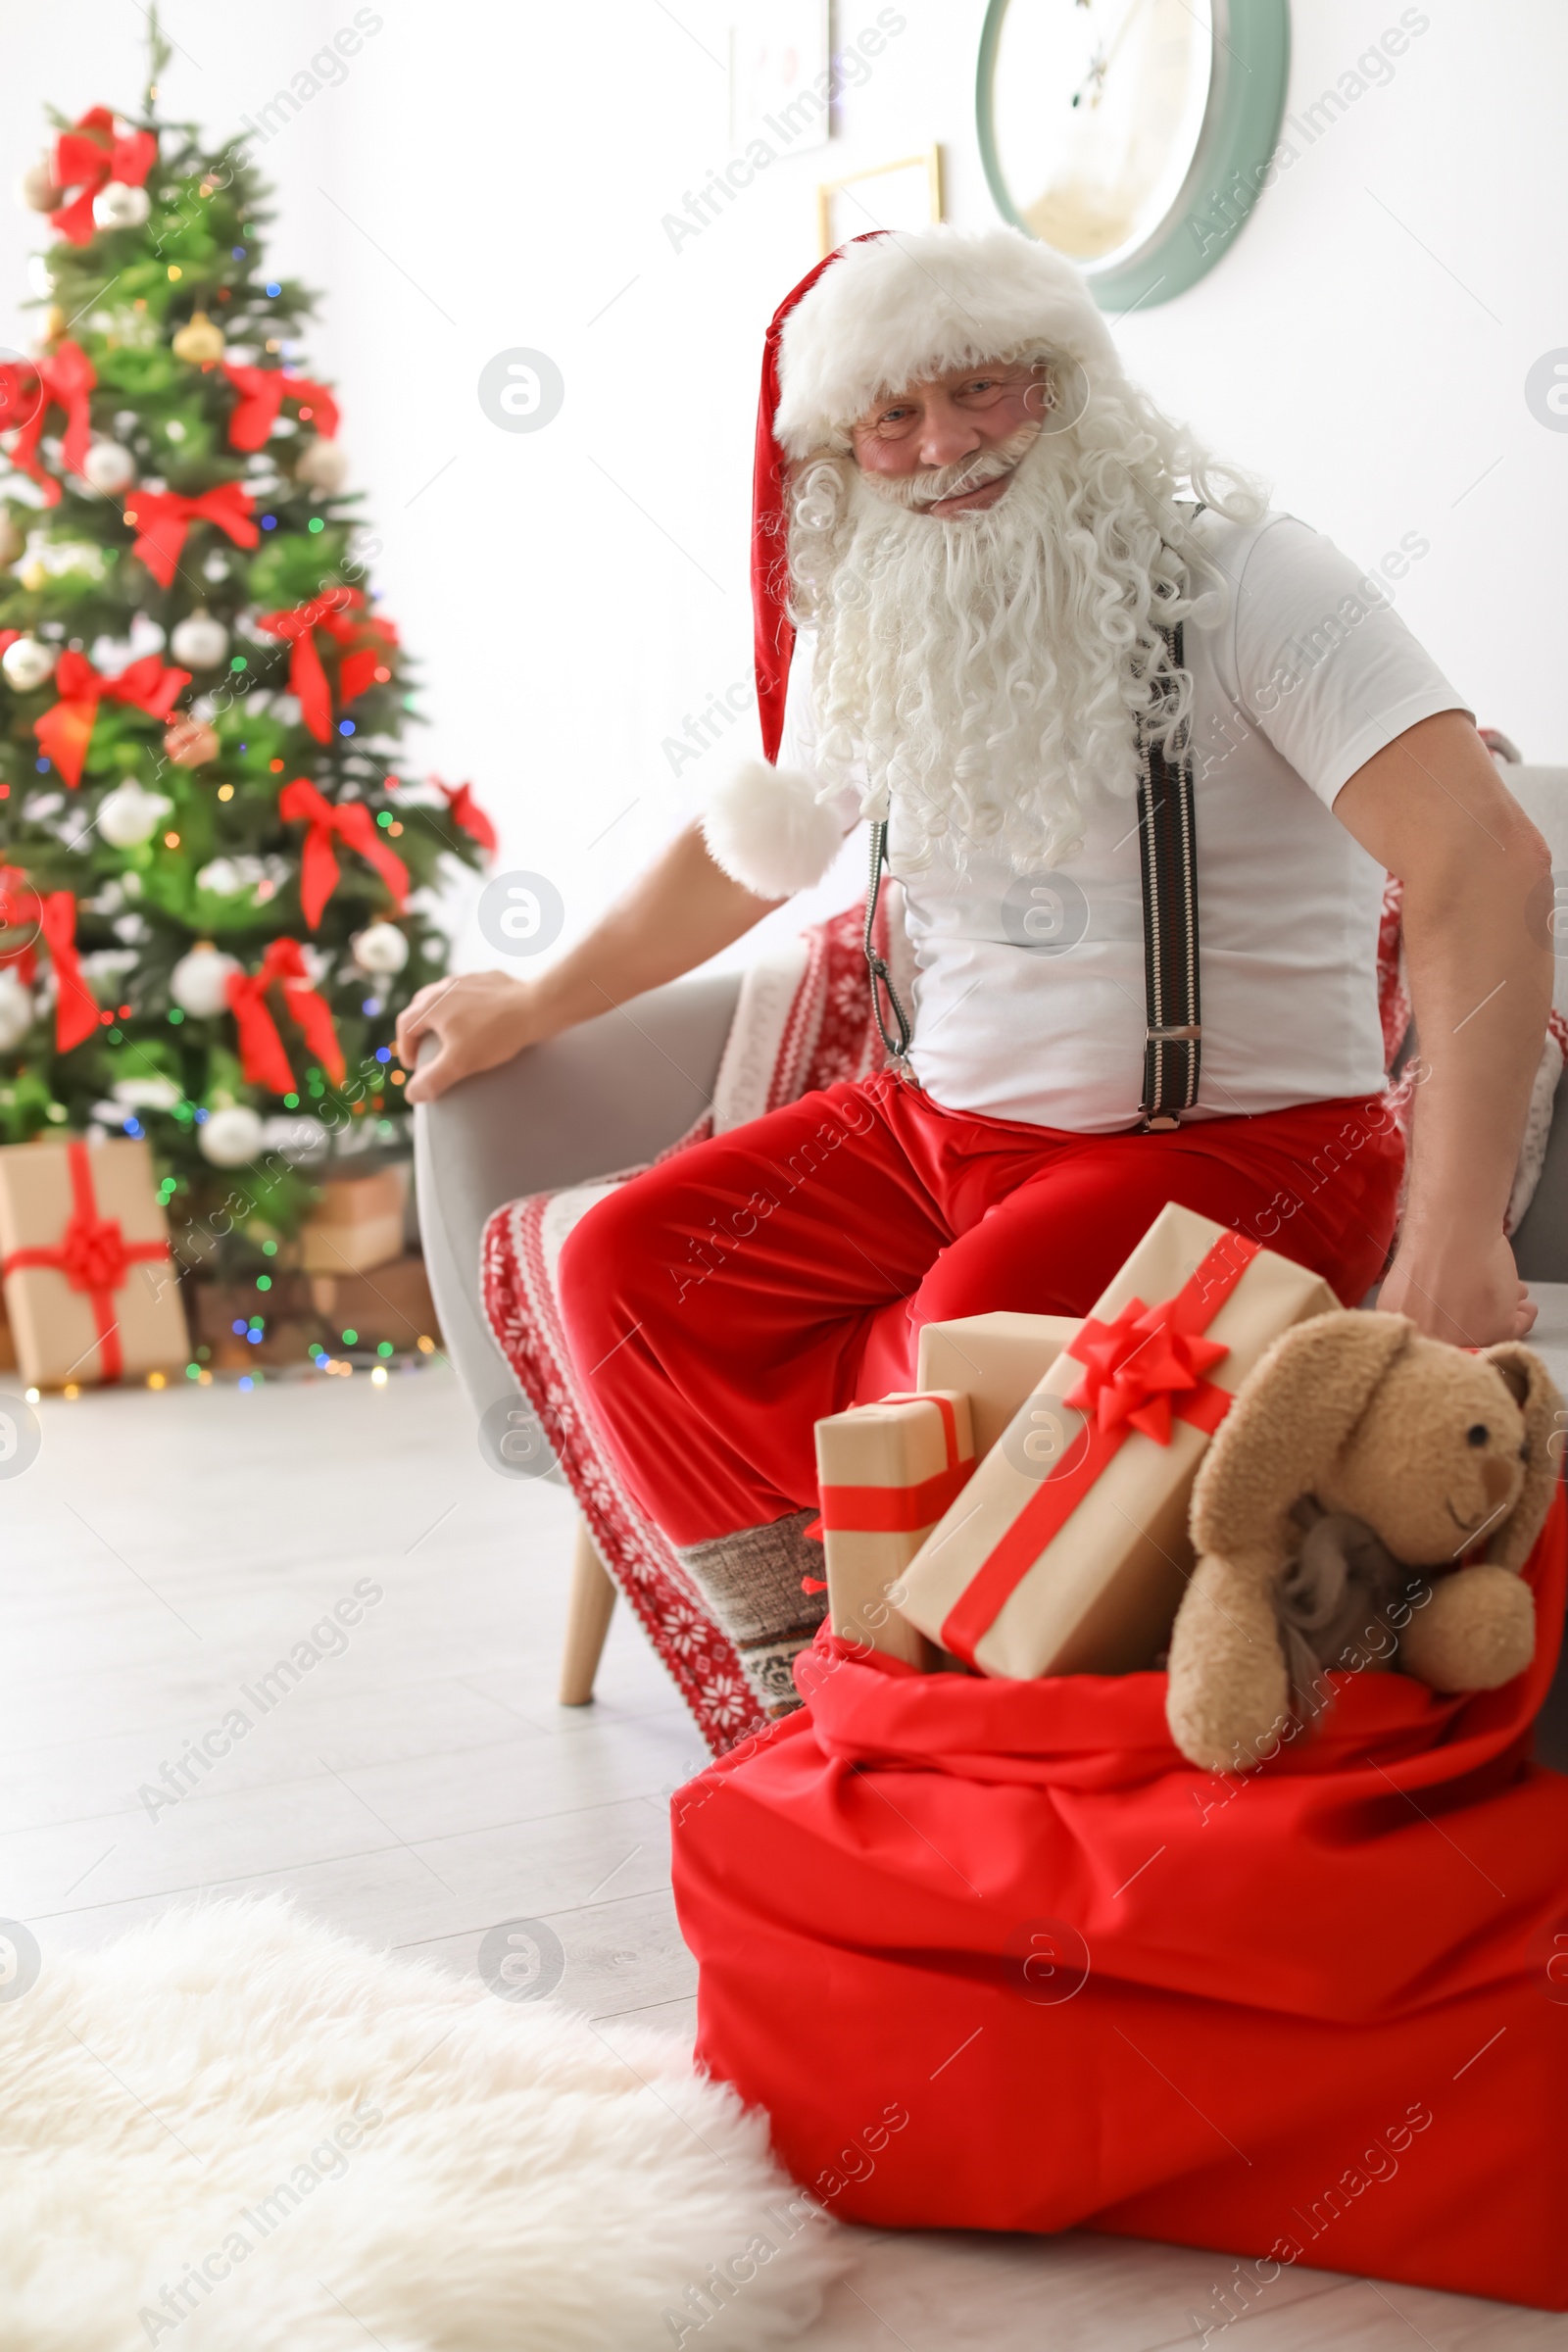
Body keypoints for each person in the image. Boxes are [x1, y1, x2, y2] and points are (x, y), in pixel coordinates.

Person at [398, 227, 1550, 1717]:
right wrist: (535, 998)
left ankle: (919, 1679)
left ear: (1067, 386)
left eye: (982, 390)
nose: (943, 445)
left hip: (1236, 1151)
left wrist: (1457, 1234)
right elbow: (745, 854)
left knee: (953, 1355)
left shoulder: (1248, 570)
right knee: (626, 1268)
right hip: (942, 1129)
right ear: (847, 453)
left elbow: (1487, 864)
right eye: (893, 418)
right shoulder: (891, 601)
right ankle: (804, 1675)